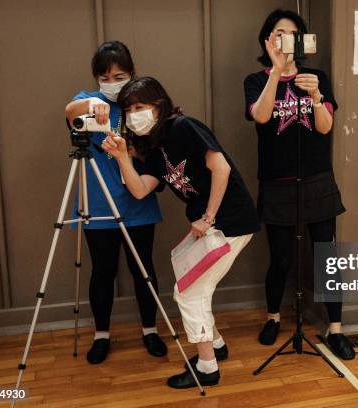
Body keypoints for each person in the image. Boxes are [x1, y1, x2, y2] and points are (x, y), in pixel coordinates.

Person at [102, 76, 261, 388]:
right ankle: (215, 346)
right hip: (211, 226)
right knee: (191, 283)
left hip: (229, 221)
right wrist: (123, 157)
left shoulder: (183, 127)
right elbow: (138, 190)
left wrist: (208, 217)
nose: (134, 114)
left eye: (140, 107)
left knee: (189, 292)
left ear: (158, 106)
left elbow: (222, 167)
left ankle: (207, 368)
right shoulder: (152, 149)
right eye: (128, 109)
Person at [243, 9, 355, 360]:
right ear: (267, 39)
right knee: (280, 260)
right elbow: (260, 117)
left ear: (302, 40)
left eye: (292, 33)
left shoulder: (316, 77)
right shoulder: (255, 80)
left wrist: (318, 96)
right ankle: (273, 317)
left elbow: (324, 127)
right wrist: (277, 72)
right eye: (278, 33)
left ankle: (336, 329)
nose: (284, 39)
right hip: (277, 182)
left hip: (317, 179)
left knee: (327, 258)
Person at [64, 41, 166, 364]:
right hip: (97, 205)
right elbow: (69, 112)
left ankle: (150, 330)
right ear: (96, 78)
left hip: (138, 202)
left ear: (132, 73)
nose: (112, 82)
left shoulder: (139, 103)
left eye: (119, 75)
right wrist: (93, 104)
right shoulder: (87, 100)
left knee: (143, 270)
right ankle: (101, 335)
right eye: (105, 77)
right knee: (102, 271)